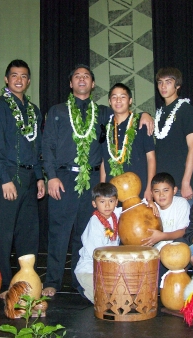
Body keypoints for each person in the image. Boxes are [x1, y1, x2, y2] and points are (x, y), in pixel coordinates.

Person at [42, 64, 153, 296]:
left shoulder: (102, 112)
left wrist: (145, 113)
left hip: (92, 180)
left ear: (93, 84)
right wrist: (51, 177)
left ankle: (78, 279)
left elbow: (124, 112)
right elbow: (47, 145)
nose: (82, 79)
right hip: (62, 178)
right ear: (71, 83)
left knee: (86, 233)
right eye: (77, 76)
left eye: (87, 77)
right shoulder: (57, 111)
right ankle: (52, 281)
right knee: (59, 232)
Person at [0, 60, 45, 291]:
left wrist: (40, 177)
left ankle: (26, 280)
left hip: (30, 178)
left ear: (28, 81)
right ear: (6, 79)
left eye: (23, 76)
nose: (19, 80)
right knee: (4, 232)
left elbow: (36, 147)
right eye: (14, 75)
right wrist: (5, 178)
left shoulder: (33, 110)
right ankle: (1, 284)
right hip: (8, 175)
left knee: (28, 232)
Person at [101, 83, 156, 201]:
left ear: (130, 101)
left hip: (139, 193)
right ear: (109, 101)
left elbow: (151, 158)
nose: (118, 100)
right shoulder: (105, 128)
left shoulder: (141, 124)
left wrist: (149, 188)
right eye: (114, 97)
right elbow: (103, 162)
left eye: (123, 97)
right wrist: (102, 189)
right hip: (112, 196)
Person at [154, 68, 193, 205]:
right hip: (164, 185)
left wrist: (186, 182)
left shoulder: (185, 109)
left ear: (177, 85)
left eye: (168, 82)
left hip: (181, 183)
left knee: (188, 226)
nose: (163, 86)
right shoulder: (159, 112)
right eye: (160, 82)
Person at [74, 182, 122, 303]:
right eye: (102, 202)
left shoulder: (115, 215)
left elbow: (132, 207)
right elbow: (96, 254)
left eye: (111, 201)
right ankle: (85, 289)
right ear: (94, 203)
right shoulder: (95, 223)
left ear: (116, 202)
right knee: (105, 301)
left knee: (120, 296)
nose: (107, 205)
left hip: (107, 268)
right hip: (89, 270)